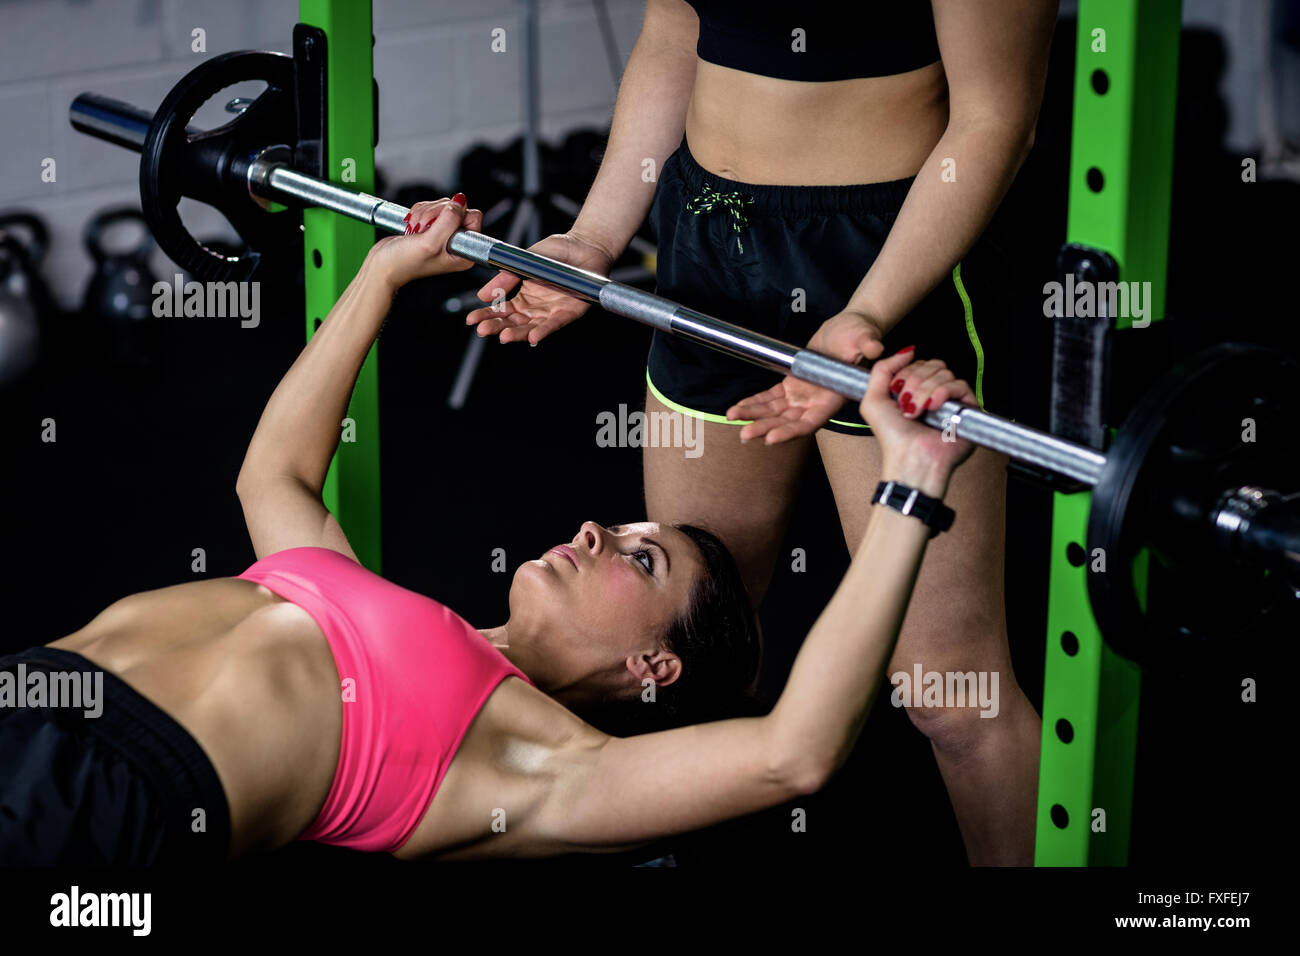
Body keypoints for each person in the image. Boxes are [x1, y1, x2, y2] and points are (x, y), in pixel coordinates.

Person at [0, 199, 976, 865]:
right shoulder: (372, 602)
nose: (594, 527)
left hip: (98, 808)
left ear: (654, 666)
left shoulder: (545, 766)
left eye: (641, 555)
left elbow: (793, 751)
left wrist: (910, 480)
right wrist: (386, 276)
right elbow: (277, 474)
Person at [465, 0, 1056, 864]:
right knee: (683, 639)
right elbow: (673, 38)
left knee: (949, 696)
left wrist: (868, 308)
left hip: (886, 251)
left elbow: (998, 116)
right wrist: (594, 235)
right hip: (706, 245)